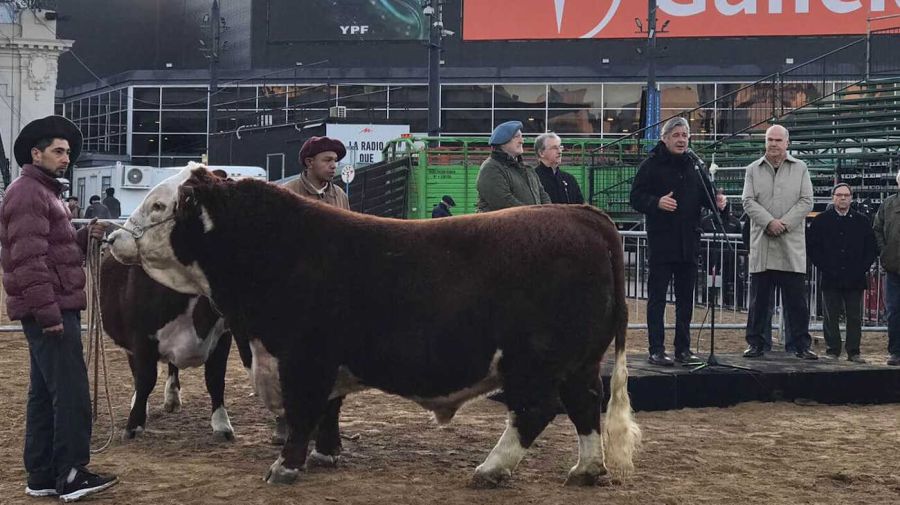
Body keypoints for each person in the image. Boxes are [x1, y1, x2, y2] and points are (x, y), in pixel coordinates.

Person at [0, 115, 116, 500]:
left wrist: (83, 236)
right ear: (37, 153)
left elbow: (53, 252)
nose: (66, 157)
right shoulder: (29, 194)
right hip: (50, 310)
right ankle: (70, 474)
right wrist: (49, 315)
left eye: (67, 152)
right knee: (70, 393)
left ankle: (42, 475)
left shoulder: (41, 193)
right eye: (58, 151)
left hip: (47, 307)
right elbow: (29, 261)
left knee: (43, 394)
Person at [629, 117, 727, 366]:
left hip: (689, 243)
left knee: (685, 299)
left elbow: (708, 196)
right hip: (662, 243)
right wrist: (656, 202)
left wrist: (720, 203)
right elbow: (635, 197)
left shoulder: (695, 165)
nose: (682, 139)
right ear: (665, 138)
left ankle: (683, 348)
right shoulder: (651, 165)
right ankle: (656, 349)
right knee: (658, 299)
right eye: (676, 135)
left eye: (685, 135)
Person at [741, 124, 817, 360]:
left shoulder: (801, 168)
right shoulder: (753, 169)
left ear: (787, 142)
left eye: (777, 140)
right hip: (763, 244)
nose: (773, 144)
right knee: (759, 302)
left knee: (796, 302)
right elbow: (747, 201)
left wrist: (783, 223)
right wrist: (768, 223)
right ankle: (756, 344)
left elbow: (807, 201)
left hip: (790, 245)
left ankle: (800, 345)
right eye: (769, 140)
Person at [807, 184, 877, 363]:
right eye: (839, 195)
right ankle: (832, 350)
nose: (843, 198)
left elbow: (871, 248)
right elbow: (813, 248)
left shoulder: (862, 221)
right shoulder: (821, 220)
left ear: (851, 198)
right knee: (830, 315)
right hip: (830, 276)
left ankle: (854, 351)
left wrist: (861, 268)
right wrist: (825, 267)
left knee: (854, 316)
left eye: (846, 195)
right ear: (833, 197)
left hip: (855, 277)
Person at [476, 120, 550, 212]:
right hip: (500, 225)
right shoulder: (491, 168)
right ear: (502, 142)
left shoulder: (528, 169)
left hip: (529, 224)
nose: (522, 141)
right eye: (516, 137)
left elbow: (543, 195)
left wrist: (547, 214)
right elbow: (503, 202)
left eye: (521, 137)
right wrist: (534, 216)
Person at [872, 172, 900, 366]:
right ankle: (896, 352)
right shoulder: (888, 205)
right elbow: (877, 229)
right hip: (894, 268)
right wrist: (885, 252)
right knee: (894, 311)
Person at [284, 136, 350, 210]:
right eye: (328, 160)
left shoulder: (340, 195)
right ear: (309, 162)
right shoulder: (288, 193)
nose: (334, 166)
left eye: (335, 160)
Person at [533, 132, 584, 204]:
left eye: (560, 147)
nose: (559, 151)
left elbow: (580, 207)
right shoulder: (532, 178)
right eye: (554, 148)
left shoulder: (569, 179)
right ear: (541, 153)